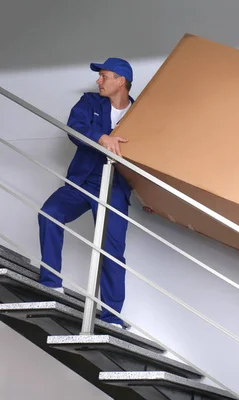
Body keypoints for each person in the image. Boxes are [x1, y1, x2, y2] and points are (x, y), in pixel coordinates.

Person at [38, 58, 135, 328]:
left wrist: (151, 196)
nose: (98, 81)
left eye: (104, 76)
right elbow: (74, 128)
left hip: (115, 186)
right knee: (50, 214)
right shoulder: (89, 103)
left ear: (121, 81)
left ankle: (112, 317)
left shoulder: (141, 114)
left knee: (112, 250)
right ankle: (50, 283)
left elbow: (150, 156)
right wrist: (101, 137)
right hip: (82, 180)